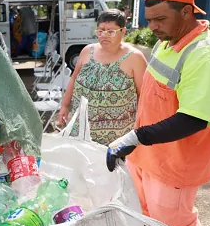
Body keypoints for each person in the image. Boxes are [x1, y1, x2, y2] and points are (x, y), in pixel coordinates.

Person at [106, 0, 210, 226]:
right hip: (148, 156)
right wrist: (134, 142)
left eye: (161, 19)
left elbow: (194, 118)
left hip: (176, 164)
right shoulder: (167, 41)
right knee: (143, 214)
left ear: (187, 12)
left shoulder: (204, 55)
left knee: (178, 225)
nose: (153, 27)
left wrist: (136, 136)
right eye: (150, 20)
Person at [58, 9, 147, 145]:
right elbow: (74, 79)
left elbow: (144, 97)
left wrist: (140, 128)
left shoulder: (135, 58)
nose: (104, 35)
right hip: (81, 130)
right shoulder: (87, 51)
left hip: (117, 137)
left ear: (123, 31)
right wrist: (64, 105)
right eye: (100, 31)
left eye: (110, 31)